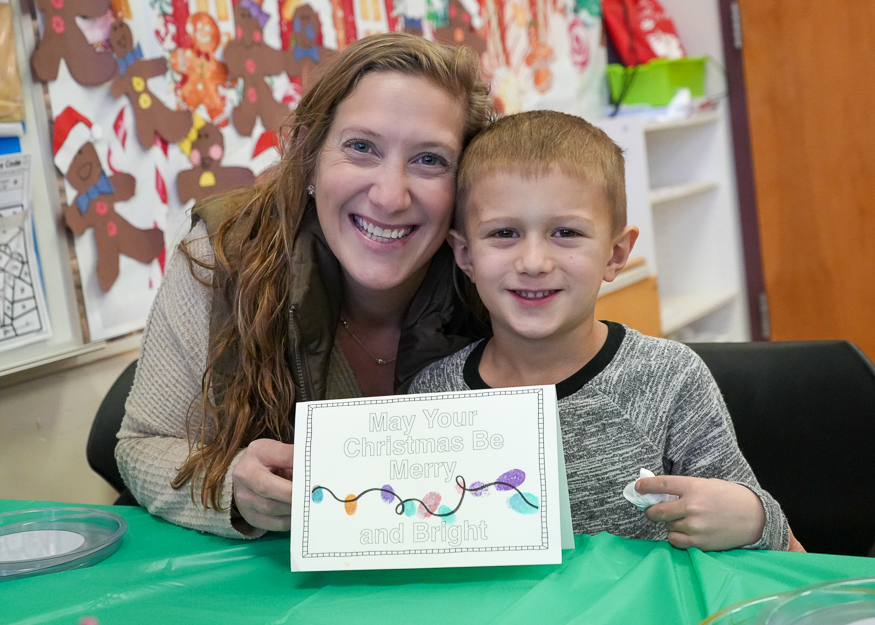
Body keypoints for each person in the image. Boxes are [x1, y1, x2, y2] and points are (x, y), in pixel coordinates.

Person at [116, 33, 492, 539]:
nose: (389, 195)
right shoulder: (223, 254)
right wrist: (231, 489)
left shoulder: (496, 269)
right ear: (310, 155)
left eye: (430, 160)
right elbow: (140, 443)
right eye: (361, 147)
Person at [409, 110, 792, 551]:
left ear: (615, 254)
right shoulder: (431, 397)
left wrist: (756, 519)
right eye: (505, 233)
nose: (534, 262)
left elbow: (772, 549)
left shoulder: (670, 378)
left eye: (566, 232)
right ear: (465, 254)